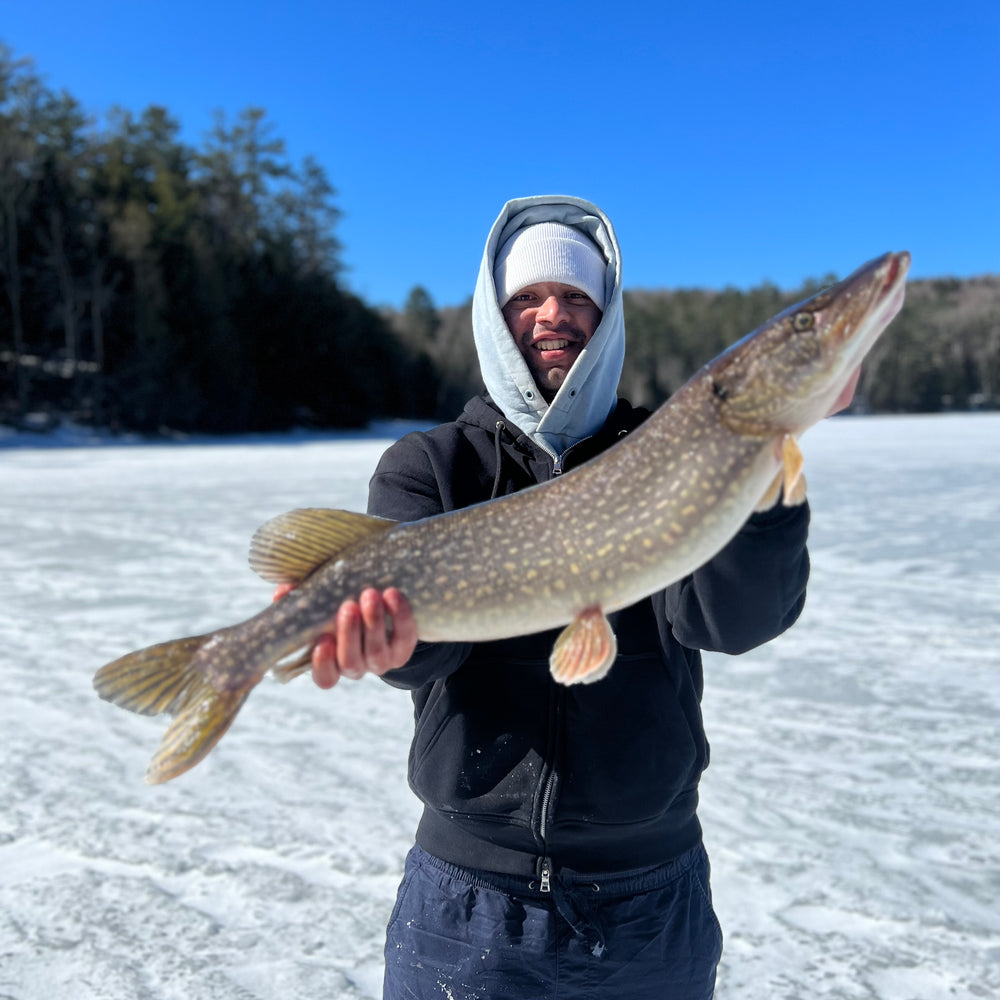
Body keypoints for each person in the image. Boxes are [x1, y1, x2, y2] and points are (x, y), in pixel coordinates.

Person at [287, 195, 836, 999]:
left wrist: (762, 477)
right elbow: (424, 657)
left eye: (578, 296)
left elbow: (729, 619)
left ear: (606, 315)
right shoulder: (430, 468)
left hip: (652, 900)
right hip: (469, 901)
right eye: (529, 298)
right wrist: (389, 640)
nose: (554, 315)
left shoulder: (665, 449)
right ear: (493, 314)